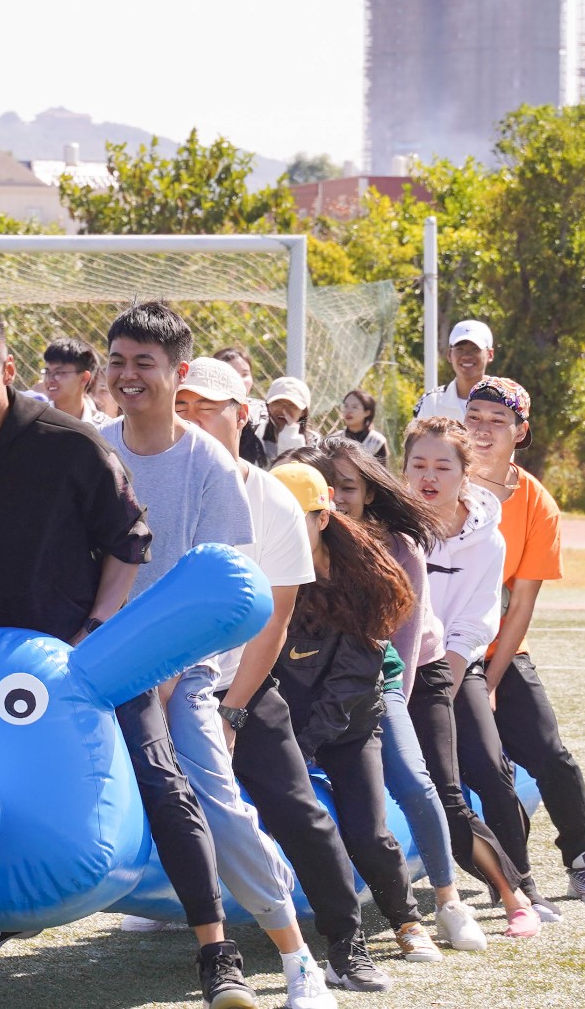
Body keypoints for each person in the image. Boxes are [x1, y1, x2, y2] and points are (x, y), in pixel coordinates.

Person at [0, 302, 245, 1009]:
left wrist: (93, 633)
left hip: (84, 665)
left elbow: (129, 541)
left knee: (162, 782)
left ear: (7, 370)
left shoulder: (68, 444)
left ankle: (216, 951)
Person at [99, 301, 357, 1007]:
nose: (128, 375)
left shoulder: (211, 467)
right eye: (117, 361)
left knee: (215, 805)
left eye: (144, 363)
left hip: (184, 671)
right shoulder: (90, 448)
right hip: (95, 664)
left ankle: (296, 956)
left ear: (176, 370)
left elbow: (220, 594)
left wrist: (172, 677)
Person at [172, 357, 389, 995]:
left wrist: (233, 713)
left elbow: (274, 620)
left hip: (240, 683)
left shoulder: (270, 500)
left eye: (207, 408)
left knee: (298, 809)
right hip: (154, 682)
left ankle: (343, 945)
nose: (191, 420)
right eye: (181, 407)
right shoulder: (149, 478)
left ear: (242, 415)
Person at [286, 437, 533, 943]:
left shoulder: (397, 547)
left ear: (370, 492)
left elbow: (402, 644)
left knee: (423, 783)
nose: (337, 497)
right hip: (338, 675)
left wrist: (387, 712)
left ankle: (464, 899)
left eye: (348, 487)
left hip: (410, 669)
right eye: (327, 488)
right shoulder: (300, 540)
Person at [262, 462, 445, 968]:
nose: (276, 534)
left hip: (350, 725)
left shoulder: (367, 579)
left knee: (367, 832)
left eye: (290, 521)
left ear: (322, 518)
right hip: (279, 723)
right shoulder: (261, 574)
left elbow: (351, 684)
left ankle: (406, 921)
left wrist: (303, 747)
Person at [465, 376, 585, 905]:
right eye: (474, 417)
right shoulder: (438, 479)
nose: (483, 430)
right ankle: (505, 870)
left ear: (520, 431)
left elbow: (522, 603)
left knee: (550, 754)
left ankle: (582, 859)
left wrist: (491, 681)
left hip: (497, 651)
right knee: (479, 767)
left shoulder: (536, 503)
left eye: (498, 421)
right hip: (433, 653)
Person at [403, 416, 550, 926]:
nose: (429, 476)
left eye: (443, 466)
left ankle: (522, 884)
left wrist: (443, 682)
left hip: (456, 663)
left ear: (465, 473)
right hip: (398, 667)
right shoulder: (391, 528)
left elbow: (477, 620)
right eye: (418, 464)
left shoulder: (489, 538)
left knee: (488, 766)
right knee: (432, 782)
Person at [414, 319, 494, 421]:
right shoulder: (431, 402)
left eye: (474, 349)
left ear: (490, 354)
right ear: (449, 354)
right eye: (460, 349)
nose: (466, 356)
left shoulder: (506, 400)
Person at [213, 346, 270, 469]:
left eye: (245, 374)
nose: (240, 380)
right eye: (232, 374)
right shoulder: (201, 412)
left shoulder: (265, 412)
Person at [40, 337, 111, 427]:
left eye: (58, 372)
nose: (49, 379)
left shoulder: (104, 428)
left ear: (84, 378)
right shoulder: (34, 422)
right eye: (47, 372)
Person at [263, 376, 321, 459]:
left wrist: (291, 434)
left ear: (303, 412)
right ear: (268, 406)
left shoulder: (313, 441)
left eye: (292, 405)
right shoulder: (256, 434)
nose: (283, 410)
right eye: (277, 403)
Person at [340, 389, 389, 462]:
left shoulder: (377, 442)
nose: (348, 411)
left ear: (367, 412)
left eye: (354, 407)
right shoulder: (335, 439)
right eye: (346, 406)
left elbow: (381, 468)